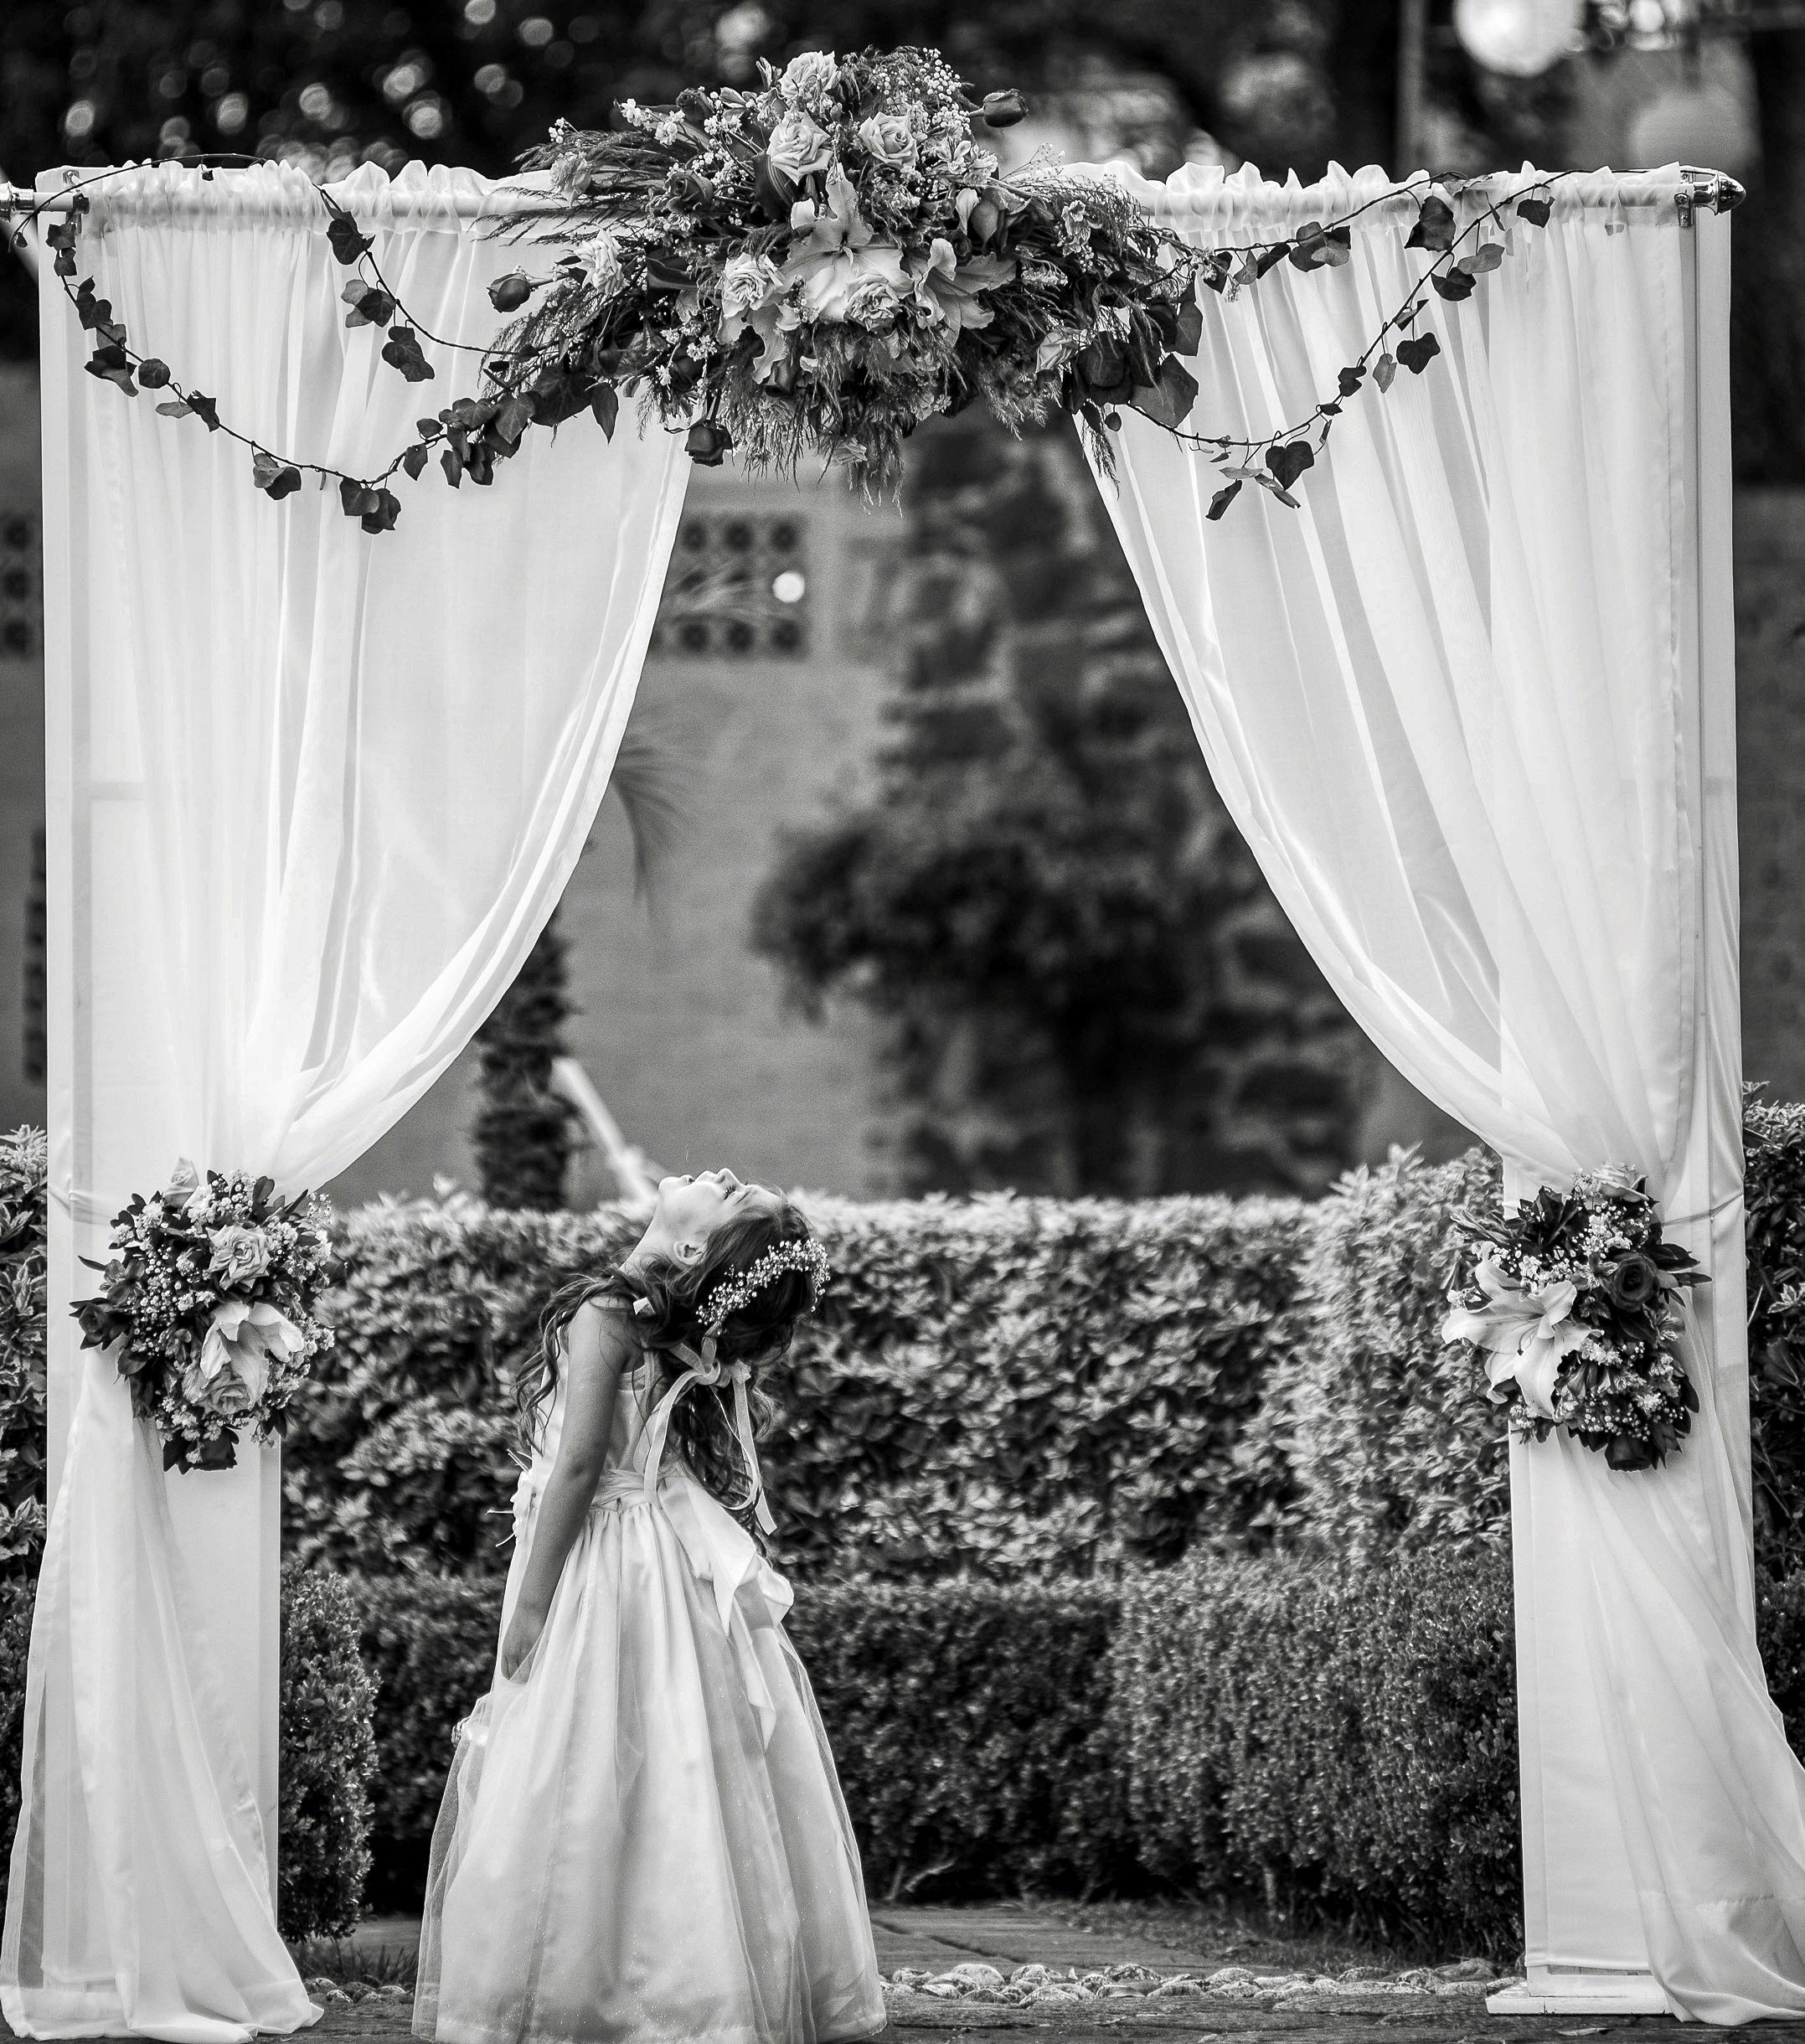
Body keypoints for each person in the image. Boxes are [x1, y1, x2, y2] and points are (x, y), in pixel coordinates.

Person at [413, 1168, 887, 2044]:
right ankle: (676, 1982)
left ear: (693, 1248)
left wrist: (531, 1599)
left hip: (606, 1557)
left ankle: (594, 1985)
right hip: (664, 1557)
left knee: (590, 1758)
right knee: (676, 1758)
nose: (720, 1173)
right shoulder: (657, 1321)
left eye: (730, 1194)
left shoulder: (608, 1313)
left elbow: (580, 1467)